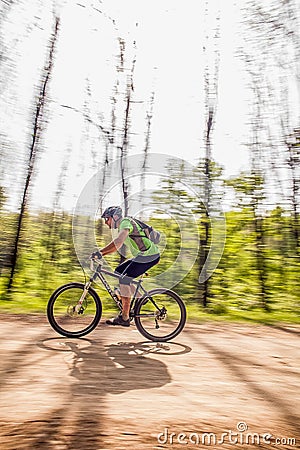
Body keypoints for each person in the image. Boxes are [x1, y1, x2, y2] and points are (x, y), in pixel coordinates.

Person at [93, 206, 160, 327]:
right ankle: (140, 297)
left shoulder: (125, 222)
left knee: (124, 279)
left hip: (149, 256)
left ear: (115, 217)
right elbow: (116, 246)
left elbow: (118, 243)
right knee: (119, 272)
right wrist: (102, 253)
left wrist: (101, 253)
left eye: (107, 219)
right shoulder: (122, 225)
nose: (105, 222)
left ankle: (125, 317)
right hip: (143, 256)